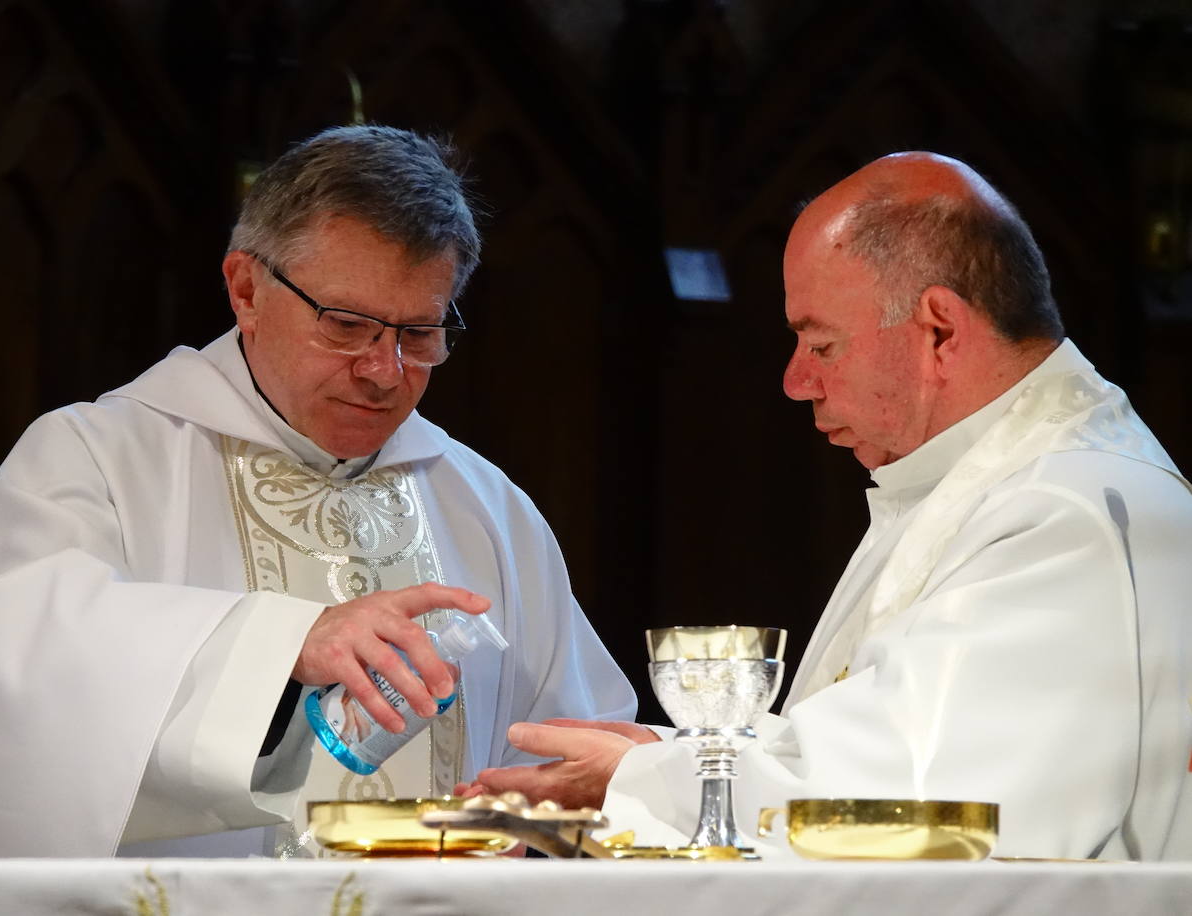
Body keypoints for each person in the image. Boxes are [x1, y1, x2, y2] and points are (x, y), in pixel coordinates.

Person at [469, 152, 1192, 861]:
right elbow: (878, 739)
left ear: (939, 329)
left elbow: (922, 806)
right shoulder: (974, 480)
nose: (794, 381)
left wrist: (642, 780)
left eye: (821, 342)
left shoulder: (1069, 509)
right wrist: (673, 753)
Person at [0, 125, 636, 858]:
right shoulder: (94, 459)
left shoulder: (488, 508)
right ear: (246, 289)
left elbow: (576, 764)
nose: (384, 370)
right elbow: (20, 664)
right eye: (346, 325)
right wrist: (282, 640)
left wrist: (537, 819)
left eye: (421, 333)